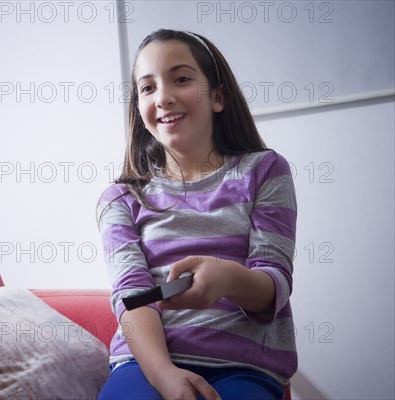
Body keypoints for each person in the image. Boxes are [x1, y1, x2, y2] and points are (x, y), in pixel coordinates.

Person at [96, 29, 297, 400]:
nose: (164, 97)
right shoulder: (119, 198)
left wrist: (229, 280)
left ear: (217, 97)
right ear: (138, 109)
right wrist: (162, 375)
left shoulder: (265, 170)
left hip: (245, 364)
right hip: (146, 364)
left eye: (182, 79)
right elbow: (132, 296)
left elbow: (276, 284)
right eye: (148, 88)